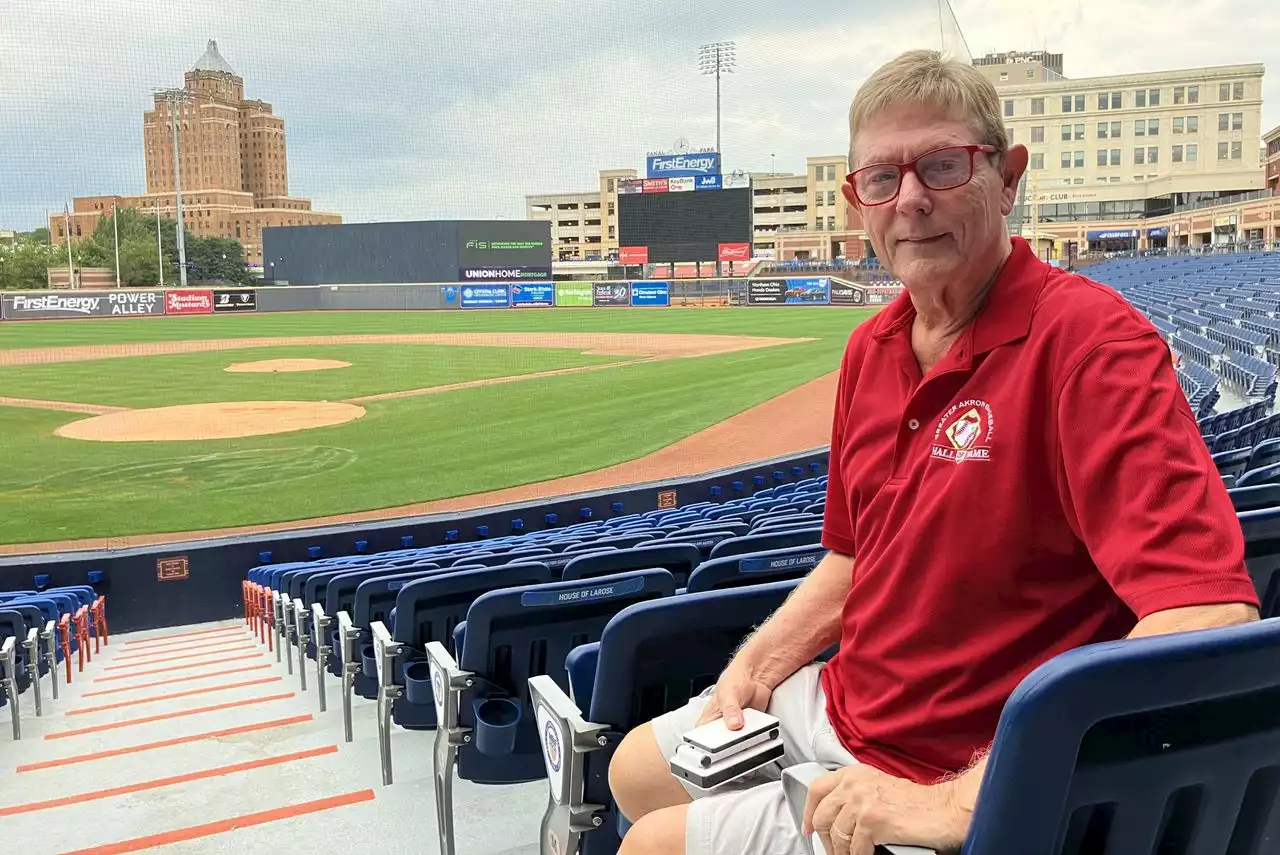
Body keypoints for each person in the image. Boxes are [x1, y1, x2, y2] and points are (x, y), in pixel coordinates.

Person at [608, 48, 1260, 855]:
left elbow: (1205, 611)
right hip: (852, 698)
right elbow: (853, 556)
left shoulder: (1093, 344)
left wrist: (961, 803)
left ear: (1007, 177)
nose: (911, 199)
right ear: (859, 203)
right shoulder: (869, 347)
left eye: (944, 166)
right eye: (882, 179)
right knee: (630, 770)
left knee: (652, 844)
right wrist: (759, 663)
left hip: (963, 761)